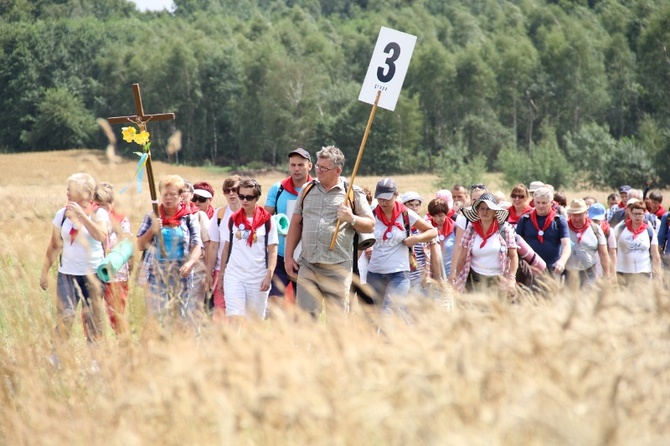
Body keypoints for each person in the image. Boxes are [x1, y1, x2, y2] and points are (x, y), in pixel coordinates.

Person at [284, 146, 375, 318]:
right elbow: (296, 224)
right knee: (305, 319)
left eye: (323, 168)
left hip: (338, 269)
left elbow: (370, 225)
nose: (318, 171)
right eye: (317, 166)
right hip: (308, 265)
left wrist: (352, 218)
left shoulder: (352, 193)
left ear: (338, 170)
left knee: (337, 323)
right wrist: (289, 257)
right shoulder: (307, 189)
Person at [40, 173, 109, 344]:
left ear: (85, 192)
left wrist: (82, 216)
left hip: (93, 274)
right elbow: (55, 245)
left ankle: (95, 359)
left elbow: (101, 236)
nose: (67, 193)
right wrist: (44, 272)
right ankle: (57, 356)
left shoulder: (99, 214)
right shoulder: (61, 214)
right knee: (66, 315)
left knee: (92, 319)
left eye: (71, 189)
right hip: (67, 274)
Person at [366, 179, 437, 320]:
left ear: (395, 195)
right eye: (380, 199)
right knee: (375, 315)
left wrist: (416, 239)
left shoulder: (406, 215)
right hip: (375, 272)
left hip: (399, 273)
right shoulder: (372, 214)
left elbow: (432, 231)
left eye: (386, 199)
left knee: (389, 310)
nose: (383, 203)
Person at [137, 175, 202, 326]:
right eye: (165, 194)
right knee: (154, 315)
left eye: (173, 194)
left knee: (178, 315)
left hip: (180, 271)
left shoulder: (188, 218)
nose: (168, 198)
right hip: (155, 271)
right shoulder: (153, 215)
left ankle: (176, 346)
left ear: (181, 196)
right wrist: (152, 230)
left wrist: (190, 263)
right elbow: (140, 245)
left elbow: (197, 245)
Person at [220, 179, 278, 321]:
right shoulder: (233, 219)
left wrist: (269, 275)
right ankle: (233, 344)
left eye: (249, 197)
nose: (244, 200)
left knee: (254, 322)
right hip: (235, 275)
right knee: (234, 316)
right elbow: (226, 248)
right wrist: (222, 273)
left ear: (257, 198)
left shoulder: (267, 220)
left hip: (258, 276)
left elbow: (272, 251)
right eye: (241, 196)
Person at [264, 148, 313, 304]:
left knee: (303, 309)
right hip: (280, 254)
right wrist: (276, 223)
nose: (296, 169)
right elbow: (265, 219)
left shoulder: (316, 189)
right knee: (274, 302)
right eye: (293, 165)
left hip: (307, 257)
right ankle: (279, 329)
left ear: (309, 166)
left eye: (300, 165)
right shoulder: (278, 189)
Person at [453, 193, 518, 297]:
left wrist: (511, 279)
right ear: (477, 211)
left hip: (498, 280)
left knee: (496, 312)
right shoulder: (471, 229)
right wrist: (456, 277)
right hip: (474, 279)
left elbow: (513, 256)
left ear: (495, 212)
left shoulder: (505, 230)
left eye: (489, 209)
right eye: (482, 209)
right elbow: (463, 257)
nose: (485, 212)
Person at [92, 181, 133, 335]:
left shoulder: (121, 219)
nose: (101, 209)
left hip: (116, 273)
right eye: (97, 205)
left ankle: (123, 345)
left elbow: (126, 245)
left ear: (112, 202)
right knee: (92, 313)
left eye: (104, 204)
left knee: (116, 314)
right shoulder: (91, 220)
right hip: (93, 271)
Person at [205, 175, 241, 317]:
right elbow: (213, 246)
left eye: (235, 189)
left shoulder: (252, 214)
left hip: (244, 270)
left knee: (239, 310)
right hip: (221, 270)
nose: (231, 193)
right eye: (227, 191)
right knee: (220, 308)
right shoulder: (219, 214)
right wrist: (209, 272)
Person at [516, 186, 571, 277]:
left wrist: (562, 262)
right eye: (538, 202)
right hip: (529, 269)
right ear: (533, 202)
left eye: (544, 203)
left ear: (551, 203)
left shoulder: (559, 220)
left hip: (552, 268)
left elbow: (566, 245)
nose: (540, 206)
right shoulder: (525, 219)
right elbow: (516, 244)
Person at [613, 199, 661, 286]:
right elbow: (612, 250)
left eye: (640, 214)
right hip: (623, 272)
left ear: (644, 215)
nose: (637, 216)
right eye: (635, 214)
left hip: (643, 272)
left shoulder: (649, 230)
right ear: (630, 214)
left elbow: (655, 254)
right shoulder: (620, 228)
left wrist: (657, 274)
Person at [564, 199, 610, 288]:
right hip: (567, 273)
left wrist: (607, 276)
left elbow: (603, 254)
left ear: (586, 213)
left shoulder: (595, 229)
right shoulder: (564, 228)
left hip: (588, 273)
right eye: (574, 215)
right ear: (570, 214)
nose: (577, 219)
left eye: (580, 215)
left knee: (587, 300)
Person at [447, 184, 488, 284]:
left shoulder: (497, 220)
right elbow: (458, 247)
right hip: (469, 269)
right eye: (474, 199)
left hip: (491, 270)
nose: (478, 203)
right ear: (470, 200)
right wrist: (453, 272)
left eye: (481, 199)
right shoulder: (464, 220)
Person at [182, 180, 211, 313]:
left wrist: (208, 273)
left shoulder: (199, 215)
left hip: (197, 272)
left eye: (184, 192)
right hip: (173, 272)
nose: (181, 195)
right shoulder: (165, 216)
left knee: (192, 311)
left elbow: (208, 245)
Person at [402, 191, 431, 296]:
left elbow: (429, 253)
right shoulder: (400, 226)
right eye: (410, 205)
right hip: (402, 275)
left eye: (417, 205)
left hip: (420, 275)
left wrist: (427, 274)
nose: (414, 208)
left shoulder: (425, 226)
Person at [426, 198, 455, 279]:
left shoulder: (455, 227)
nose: (437, 219)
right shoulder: (427, 227)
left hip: (451, 273)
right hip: (433, 274)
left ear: (446, 214)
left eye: (440, 216)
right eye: (434, 216)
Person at [588, 203, 616, 278]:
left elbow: (612, 253)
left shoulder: (609, 231)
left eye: (598, 220)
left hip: (603, 271)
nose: (595, 222)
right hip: (589, 271)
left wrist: (612, 272)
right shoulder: (585, 230)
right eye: (593, 219)